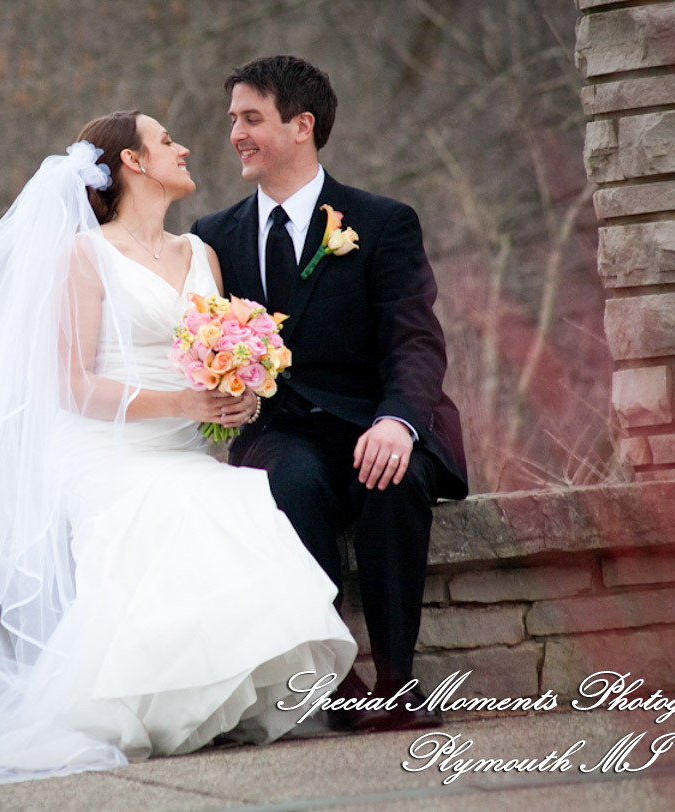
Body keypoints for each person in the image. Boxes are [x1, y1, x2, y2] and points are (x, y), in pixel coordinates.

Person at [0, 111, 356, 802]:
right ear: (132, 163)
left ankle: (208, 709)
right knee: (181, 509)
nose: (185, 147)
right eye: (166, 141)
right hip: (106, 452)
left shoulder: (202, 255)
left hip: (184, 449)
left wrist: (237, 394)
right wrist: (184, 406)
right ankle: (147, 710)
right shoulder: (86, 256)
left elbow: (209, 363)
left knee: (232, 503)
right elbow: (75, 387)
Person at [192, 55, 469, 732]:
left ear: (302, 126)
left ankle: (397, 680)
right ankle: (337, 679)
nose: (236, 134)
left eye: (251, 118)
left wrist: (399, 421)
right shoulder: (212, 239)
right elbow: (200, 348)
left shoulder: (381, 223)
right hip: (279, 431)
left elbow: (416, 342)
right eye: (234, 120)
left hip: (376, 418)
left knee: (391, 479)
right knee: (293, 478)